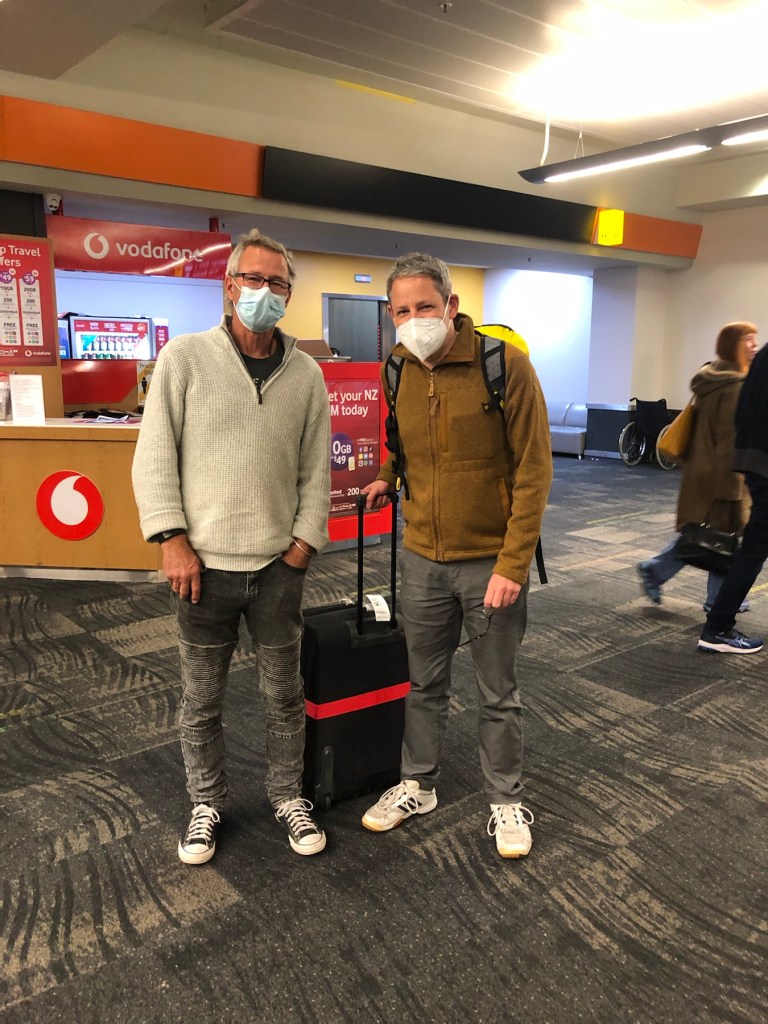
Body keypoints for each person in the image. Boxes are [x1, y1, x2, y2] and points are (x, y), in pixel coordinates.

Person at [132, 230, 331, 864]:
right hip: (202, 569)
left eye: (276, 283)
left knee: (284, 695)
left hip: (278, 568)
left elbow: (315, 472)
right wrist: (171, 540)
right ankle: (206, 802)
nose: (263, 291)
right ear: (229, 284)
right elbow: (154, 455)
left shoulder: (307, 375)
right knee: (201, 699)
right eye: (253, 278)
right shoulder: (185, 358)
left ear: (289, 294)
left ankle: (287, 796)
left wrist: (303, 546)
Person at [360, 252, 552, 859]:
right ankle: (417, 785)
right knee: (424, 683)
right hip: (421, 557)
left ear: (451, 305)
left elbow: (534, 472)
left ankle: (505, 799)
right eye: (401, 311)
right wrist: (387, 475)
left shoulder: (505, 366)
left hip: (489, 561)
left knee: (497, 691)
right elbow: (401, 440)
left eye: (425, 306)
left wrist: (512, 565)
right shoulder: (397, 366)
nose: (414, 320)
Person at [637, 321, 758, 612]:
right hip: (722, 474)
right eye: (748, 340)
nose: (754, 346)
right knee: (719, 535)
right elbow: (729, 442)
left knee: (712, 534)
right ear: (732, 346)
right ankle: (710, 597)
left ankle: (665, 573)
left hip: (702, 470)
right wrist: (733, 487)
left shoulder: (713, 378)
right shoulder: (734, 388)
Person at [698, 338, 768, 653]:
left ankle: (717, 625)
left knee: (753, 547)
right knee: (753, 549)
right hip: (763, 465)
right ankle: (717, 628)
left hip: (755, 462)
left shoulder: (763, 357)